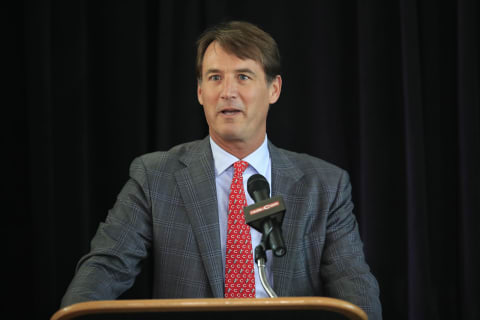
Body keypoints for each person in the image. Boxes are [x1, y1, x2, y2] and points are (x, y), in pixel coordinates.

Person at [61, 21, 382, 319]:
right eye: (215, 77)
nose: (227, 92)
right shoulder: (155, 176)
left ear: (274, 89)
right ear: (200, 92)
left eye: (243, 76)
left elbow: (353, 286)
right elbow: (106, 267)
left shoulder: (325, 185)